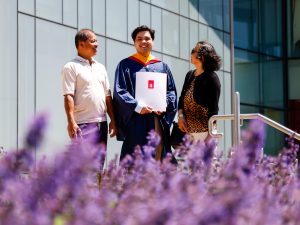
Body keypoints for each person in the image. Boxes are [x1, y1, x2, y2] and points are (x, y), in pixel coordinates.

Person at [113, 25, 177, 161]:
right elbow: (120, 91)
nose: (143, 42)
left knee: (158, 155)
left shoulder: (162, 66)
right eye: (139, 39)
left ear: (152, 41)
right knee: (135, 158)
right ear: (134, 43)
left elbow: (171, 91)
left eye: (147, 39)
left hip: (156, 118)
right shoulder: (125, 65)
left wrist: (163, 105)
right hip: (135, 119)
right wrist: (137, 106)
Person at [61, 28, 117, 152]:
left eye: (96, 41)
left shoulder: (101, 68)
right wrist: (71, 122)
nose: (97, 44)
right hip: (82, 125)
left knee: (98, 166)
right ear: (81, 44)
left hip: (101, 123)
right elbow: (68, 96)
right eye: (93, 41)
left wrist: (113, 120)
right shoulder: (71, 67)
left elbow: (108, 96)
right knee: (83, 166)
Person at [177, 41, 221, 142]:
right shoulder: (190, 75)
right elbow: (181, 100)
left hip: (205, 135)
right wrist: (180, 116)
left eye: (194, 50)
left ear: (203, 57)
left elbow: (214, 110)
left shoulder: (212, 78)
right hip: (188, 134)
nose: (191, 53)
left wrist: (210, 137)